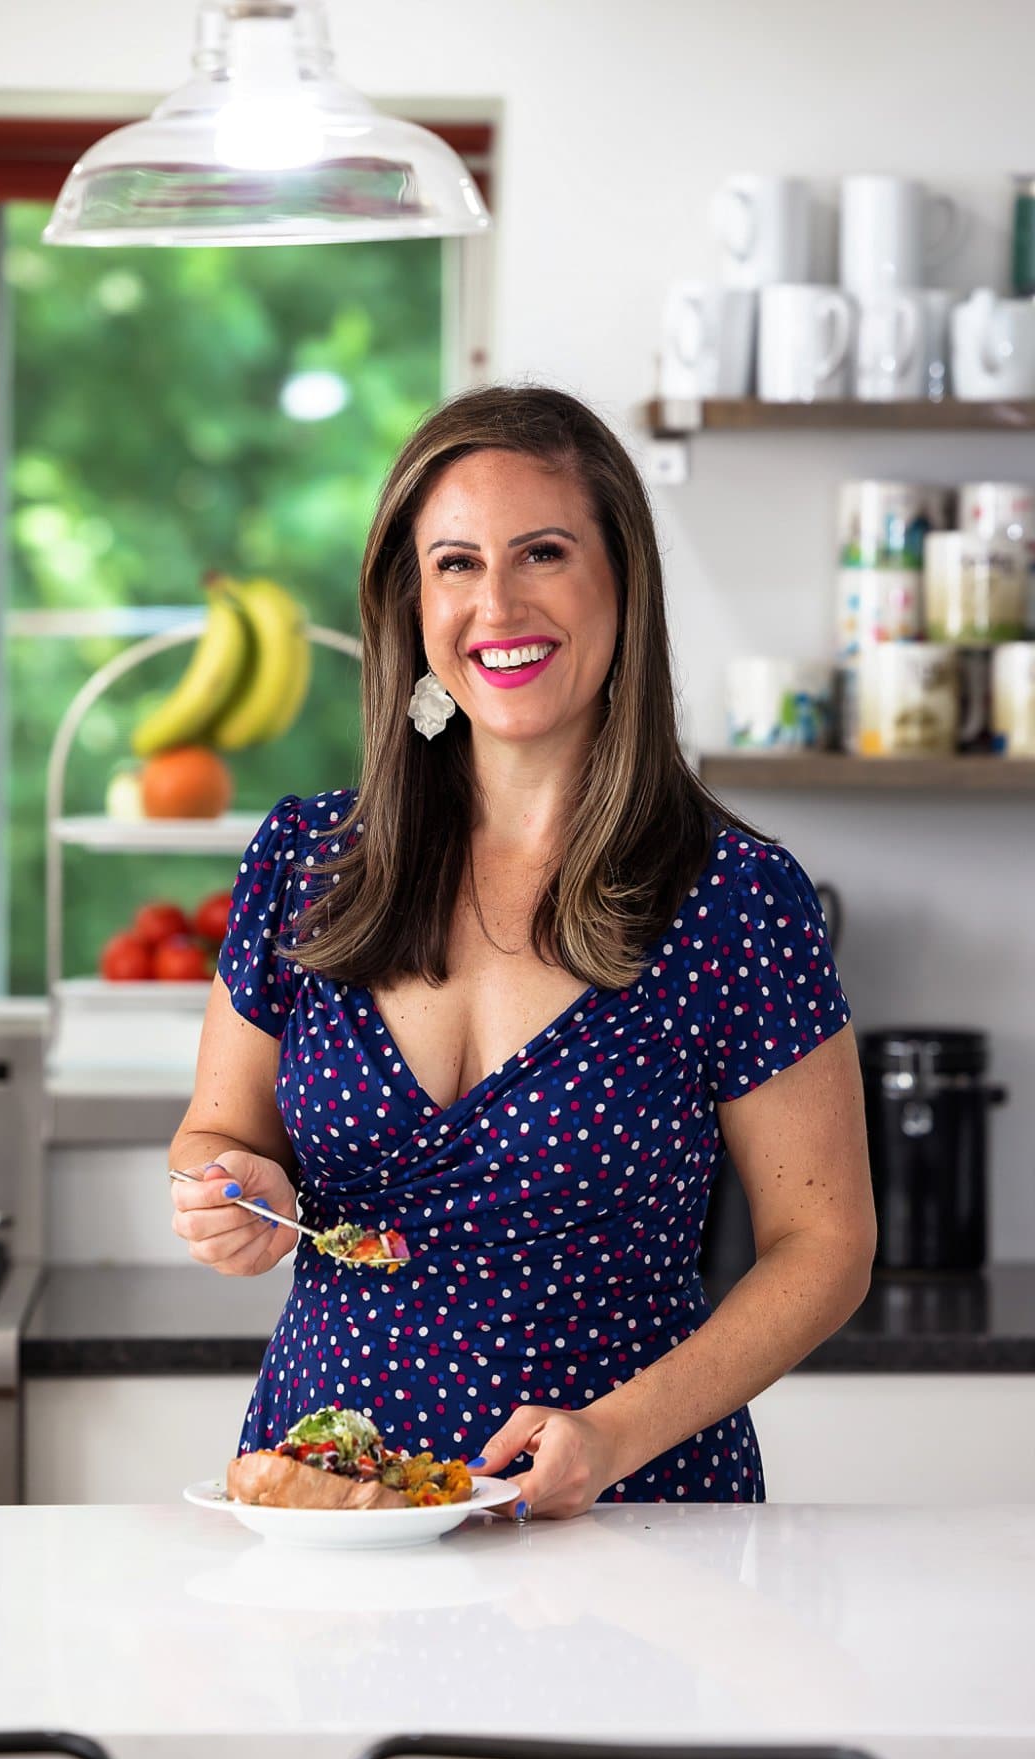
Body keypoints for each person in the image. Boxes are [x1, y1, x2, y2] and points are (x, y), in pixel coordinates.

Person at [169, 383, 876, 1517]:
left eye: (543, 552)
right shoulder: (307, 860)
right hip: (329, 1507)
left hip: (632, 1510)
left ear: (622, 582)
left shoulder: (739, 898)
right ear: (412, 598)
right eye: (455, 563)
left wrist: (613, 1434)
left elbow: (826, 1243)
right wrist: (226, 1188)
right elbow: (220, 1133)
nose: (496, 603)